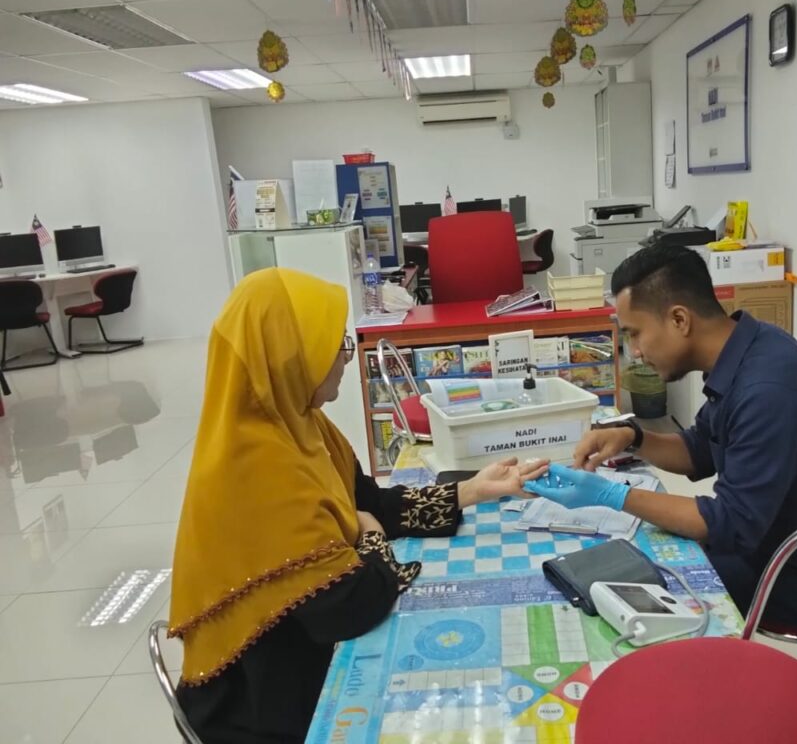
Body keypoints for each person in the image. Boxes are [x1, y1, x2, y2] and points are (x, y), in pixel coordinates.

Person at [169, 268, 546, 744]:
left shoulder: (300, 425)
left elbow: (370, 503)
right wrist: (370, 538)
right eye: (336, 344)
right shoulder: (257, 465)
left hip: (296, 663)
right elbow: (350, 605)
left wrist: (472, 491)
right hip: (259, 709)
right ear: (292, 356)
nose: (347, 357)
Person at [526, 244, 797, 626]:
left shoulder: (767, 391)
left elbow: (728, 525)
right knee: (625, 559)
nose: (635, 352)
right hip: (767, 539)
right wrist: (631, 437)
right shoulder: (744, 350)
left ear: (679, 319)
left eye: (636, 334)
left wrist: (612, 495)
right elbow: (699, 449)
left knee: (621, 594)